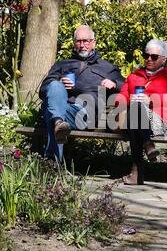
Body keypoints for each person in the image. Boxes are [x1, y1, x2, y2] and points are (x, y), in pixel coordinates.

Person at [39, 25, 125, 161]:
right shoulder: (62, 64)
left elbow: (126, 86)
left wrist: (114, 84)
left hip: (86, 113)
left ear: (93, 43)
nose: (82, 45)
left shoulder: (106, 67)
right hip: (62, 107)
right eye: (78, 41)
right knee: (54, 86)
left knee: (52, 114)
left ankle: (52, 160)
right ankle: (58, 124)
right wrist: (60, 82)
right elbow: (43, 89)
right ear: (74, 43)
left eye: (86, 41)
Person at [116, 39, 167, 185]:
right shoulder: (134, 76)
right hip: (135, 119)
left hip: (161, 120)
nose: (149, 59)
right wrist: (131, 99)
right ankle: (148, 145)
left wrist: (152, 101)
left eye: (154, 57)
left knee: (135, 115)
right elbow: (120, 98)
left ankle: (136, 173)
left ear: (163, 59)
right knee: (135, 110)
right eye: (146, 55)